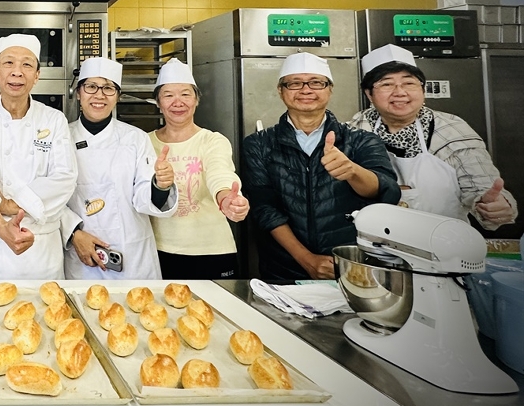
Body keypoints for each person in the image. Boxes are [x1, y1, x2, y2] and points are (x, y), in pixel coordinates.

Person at [242, 52, 399, 284]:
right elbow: (264, 209)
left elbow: (388, 191)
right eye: (295, 83)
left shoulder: (361, 140)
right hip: (284, 269)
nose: (306, 90)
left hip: (351, 265)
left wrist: (353, 172)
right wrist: (306, 260)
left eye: (316, 82)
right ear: (281, 90)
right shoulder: (259, 144)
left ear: (330, 89)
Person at [349, 44, 517, 228]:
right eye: (386, 84)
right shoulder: (354, 131)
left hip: (445, 241)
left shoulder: (452, 130)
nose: (400, 92)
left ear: (423, 90)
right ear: (369, 94)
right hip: (373, 241)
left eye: (409, 83)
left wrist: (494, 205)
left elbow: (481, 185)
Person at [0, 34, 78, 279]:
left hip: (41, 251)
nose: (17, 72)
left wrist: (8, 204)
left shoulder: (54, 119)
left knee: (47, 304)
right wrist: (2, 226)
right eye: (9, 62)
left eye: (27, 64)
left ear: (37, 75)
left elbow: (64, 178)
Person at [61, 58, 176, 280]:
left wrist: (160, 186)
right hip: (81, 256)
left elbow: (144, 197)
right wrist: (73, 233)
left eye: (108, 88)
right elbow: (51, 199)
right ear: (79, 93)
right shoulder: (61, 137)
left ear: (118, 96)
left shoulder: (136, 139)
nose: (99, 95)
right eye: (91, 87)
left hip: (132, 254)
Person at [147, 59, 249, 279]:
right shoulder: (144, 143)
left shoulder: (212, 141)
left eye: (185, 94)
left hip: (212, 250)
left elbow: (219, 172)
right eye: (168, 95)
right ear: (158, 102)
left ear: (196, 100)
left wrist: (226, 198)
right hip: (159, 248)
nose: (178, 102)